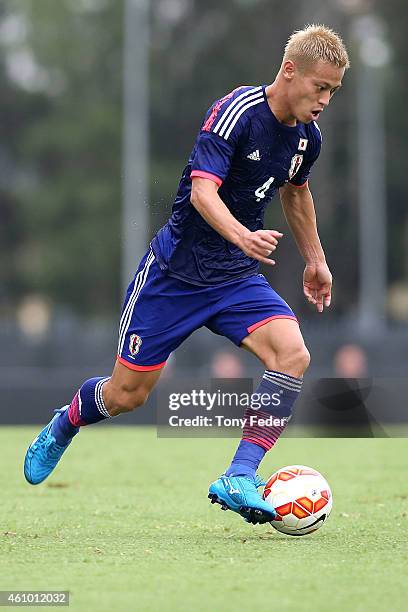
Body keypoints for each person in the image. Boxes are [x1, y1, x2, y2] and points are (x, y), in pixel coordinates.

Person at [24, 24, 349, 525]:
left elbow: (295, 192)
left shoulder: (308, 138)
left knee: (293, 354)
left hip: (235, 278)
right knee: (126, 395)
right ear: (289, 71)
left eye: (332, 90)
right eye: (319, 87)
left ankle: (240, 474)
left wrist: (315, 258)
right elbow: (202, 192)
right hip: (172, 277)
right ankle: (65, 423)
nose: (325, 99)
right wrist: (243, 235)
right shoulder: (235, 113)